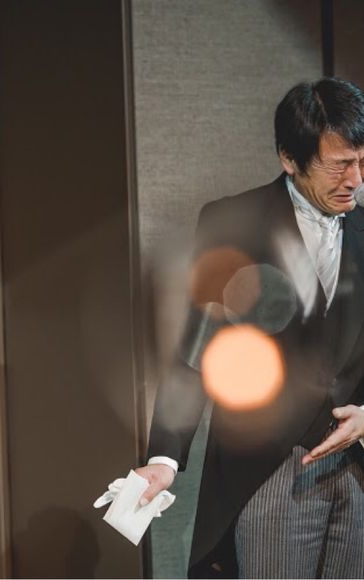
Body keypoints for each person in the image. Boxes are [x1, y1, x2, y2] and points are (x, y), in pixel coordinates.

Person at [136, 78, 364, 578]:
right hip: (268, 471)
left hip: (357, 469)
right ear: (289, 158)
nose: (355, 179)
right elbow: (199, 346)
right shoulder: (234, 223)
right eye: (339, 164)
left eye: (363, 162)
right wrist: (164, 458)